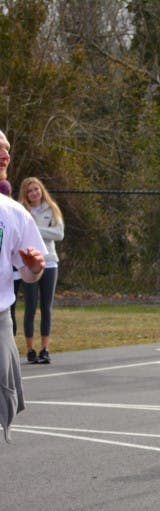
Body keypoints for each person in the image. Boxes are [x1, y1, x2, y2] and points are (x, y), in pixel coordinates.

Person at [0, 130, 47, 443]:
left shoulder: (14, 213)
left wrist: (33, 269)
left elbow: (29, 274)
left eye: (6, 149)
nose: (5, 154)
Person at [16, 178, 63, 364]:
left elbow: (58, 234)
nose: (34, 193)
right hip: (29, 265)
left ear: (41, 190)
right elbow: (19, 233)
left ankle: (44, 348)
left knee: (46, 307)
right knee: (30, 307)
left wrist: (35, 229)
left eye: (36, 189)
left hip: (49, 263)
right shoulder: (20, 211)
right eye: (30, 191)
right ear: (25, 194)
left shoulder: (52, 209)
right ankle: (30, 350)